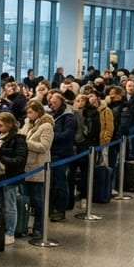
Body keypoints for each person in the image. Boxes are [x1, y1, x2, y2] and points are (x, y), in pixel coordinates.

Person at [20, 100, 53, 238]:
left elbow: (44, 146)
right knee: (27, 199)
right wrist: (27, 124)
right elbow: (21, 135)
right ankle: (24, 226)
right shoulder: (30, 124)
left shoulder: (46, 126)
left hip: (38, 167)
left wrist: (26, 143)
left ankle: (38, 227)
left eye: (30, 112)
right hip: (26, 168)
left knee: (38, 200)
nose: (28, 115)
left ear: (38, 111)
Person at [0, 112, 28, 246]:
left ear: (9, 124)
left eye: (1, 125)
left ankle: (10, 232)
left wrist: (1, 158)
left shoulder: (18, 139)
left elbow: (20, 159)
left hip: (11, 175)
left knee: (10, 205)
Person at [47, 92, 76, 221]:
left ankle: (60, 209)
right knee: (51, 183)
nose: (50, 103)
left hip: (62, 154)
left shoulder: (68, 117)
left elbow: (68, 135)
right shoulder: (52, 114)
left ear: (60, 101)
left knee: (60, 183)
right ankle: (51, 207)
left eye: (52, 100)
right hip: (52, 154)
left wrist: (50, 136)